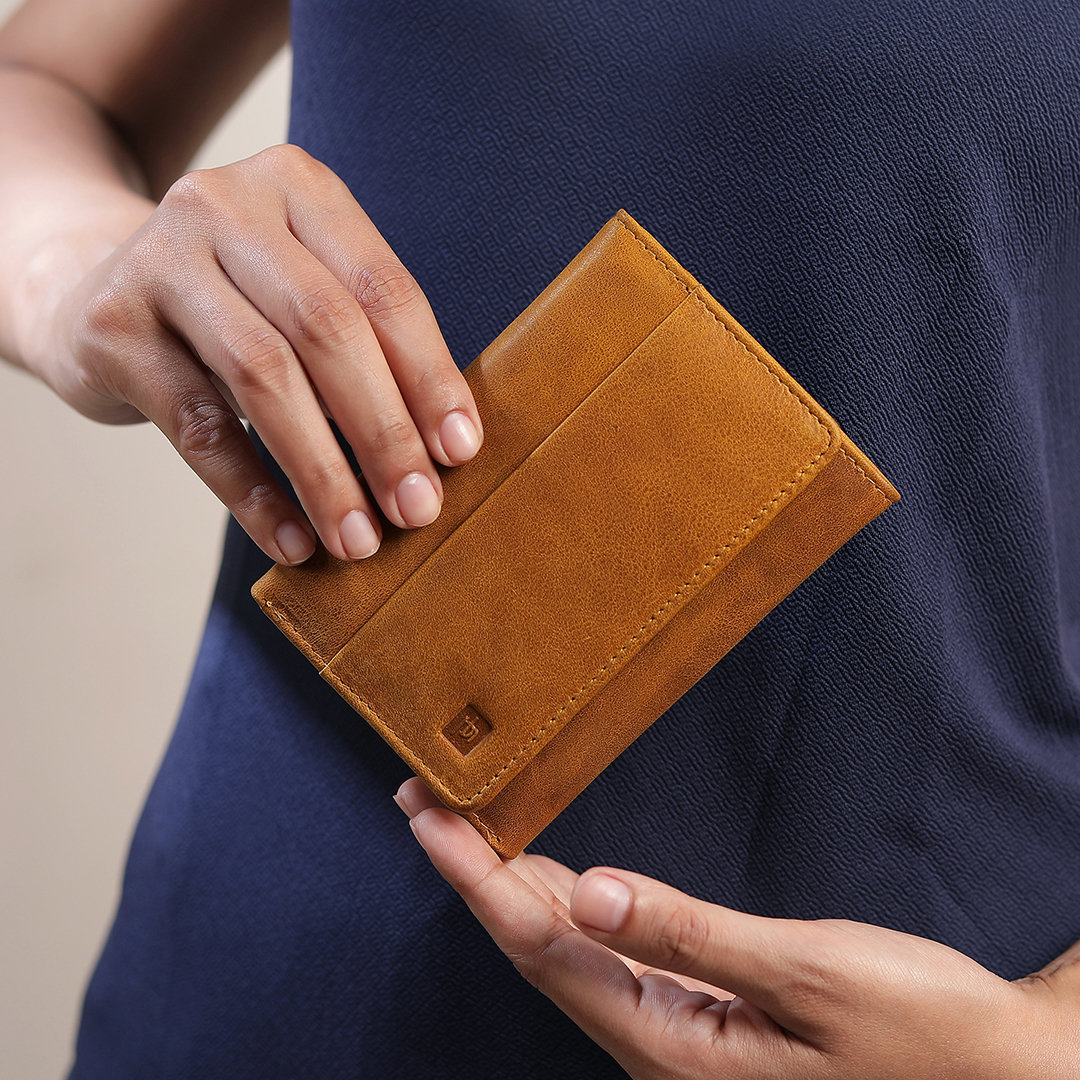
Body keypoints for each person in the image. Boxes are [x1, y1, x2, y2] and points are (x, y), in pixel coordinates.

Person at [1, 0, 1078, 1076]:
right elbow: (45, 91)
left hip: (936, 991)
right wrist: (83, 275)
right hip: (277, 975)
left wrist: (1046, 1043)